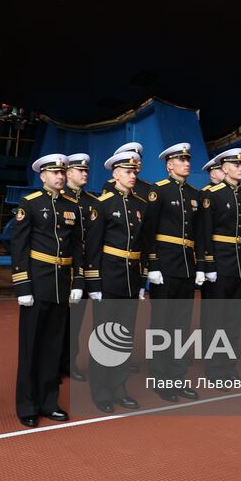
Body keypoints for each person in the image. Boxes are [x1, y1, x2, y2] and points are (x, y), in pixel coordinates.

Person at [11, 154, 83, 427]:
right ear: (42, 176)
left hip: (61, 284)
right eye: (54, 173)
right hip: (37, 284)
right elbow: (19, 248)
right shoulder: (29, 204)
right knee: (31, 348)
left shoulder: (71, 206)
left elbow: (77, 248)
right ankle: (27, 405)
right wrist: (22, 285)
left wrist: (77, 284)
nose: (60, 177)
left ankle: (49, 401)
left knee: (54, 348)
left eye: (62, 172)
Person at [83, 150, 149, 413]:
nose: (133, 175)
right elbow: (93, 247)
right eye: (127, 171)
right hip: (109, 277)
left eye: (135, 172)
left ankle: (119, 386)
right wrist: (94, 282)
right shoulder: (103, 204)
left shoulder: (141, 205)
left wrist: (143, 280)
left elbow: (143, 245)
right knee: (103, 335)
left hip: (131, 278)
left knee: (124, 336)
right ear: (115, 174)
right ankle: (100, 389)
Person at [142, 142, 201, 400]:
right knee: (161, 326)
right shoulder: (159, 191)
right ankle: (160, 378)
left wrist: (199, 266)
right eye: (181, 160)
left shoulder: (193, 193)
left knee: (180, 327)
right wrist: (152, 265)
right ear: (169, 165)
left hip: (187, 267)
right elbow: (149, 230)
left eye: (188, 160)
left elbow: (197, 234)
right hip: (165, 267)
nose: (187, 163)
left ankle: (177, 378)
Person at [197, 148, 241, 382]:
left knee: (232, 319)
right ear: (225, 168)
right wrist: (207, 264)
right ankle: (214, 369)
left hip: (238, 263)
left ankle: (229, 367)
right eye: (236, 165)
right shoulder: (213, 195)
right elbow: (204, 232)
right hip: (219, 263)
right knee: (215, 319)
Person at [61, 152, 94, 382]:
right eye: (80, 170)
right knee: (57, 322)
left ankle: (69, 362)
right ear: (68, 173)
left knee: (76, 321)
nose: (84, 174)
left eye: (86, 171)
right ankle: (53, 363)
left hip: (82, 269)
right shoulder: (60, 199)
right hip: (61, 269)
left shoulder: (93, 202)